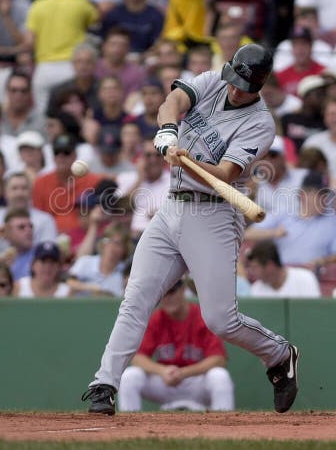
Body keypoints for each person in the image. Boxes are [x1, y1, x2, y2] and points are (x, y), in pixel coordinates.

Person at [82, 43, 299, 416]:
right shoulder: (214, 79)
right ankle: (104, 383)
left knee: (220, 319)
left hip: (214, 215)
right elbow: (172, 103)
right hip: (172, 207)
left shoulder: (260, 124)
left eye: (243, 86)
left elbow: (226, 175)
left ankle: (280, 354)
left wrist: (187, 157)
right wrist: (168, 131)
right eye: (233, 80)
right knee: (136, 297)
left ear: (260, 85)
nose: (233, 89)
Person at [118, 277, 234, 412]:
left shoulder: (202, 316)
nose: (168, 298)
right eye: (164, 294)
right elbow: (138, 358)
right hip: (166, 381)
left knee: (220, 376)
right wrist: (162, 371)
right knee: (130, 376)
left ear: (183, 290)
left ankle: (223, 427)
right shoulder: (156, 319)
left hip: (195, 381)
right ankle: (129, 429)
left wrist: (183, 373)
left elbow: (218, 359)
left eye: (172, 292)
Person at [245, 170, 336, 266]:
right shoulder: (284, 213)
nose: (324, 199)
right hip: (282, 275)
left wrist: (323, 261)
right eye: (319, 194)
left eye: (326, 194)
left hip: (313, 276)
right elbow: (247, 234)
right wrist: (273, 233)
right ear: (303, 195)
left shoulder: (332, 220)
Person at [68, 222, 129, 298]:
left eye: (118, 243)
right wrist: (92, 288)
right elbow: (69, 282)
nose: (112, 247)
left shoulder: (126, 271)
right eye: (109, 241)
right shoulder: (85, 262)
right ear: (102, 243)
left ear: (125, 249)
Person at [245, 240, 321, 298]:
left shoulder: (305, 278)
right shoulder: (256, 289)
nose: (252, 272)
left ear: (269, 265)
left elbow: (314, 312)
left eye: (255, 267)